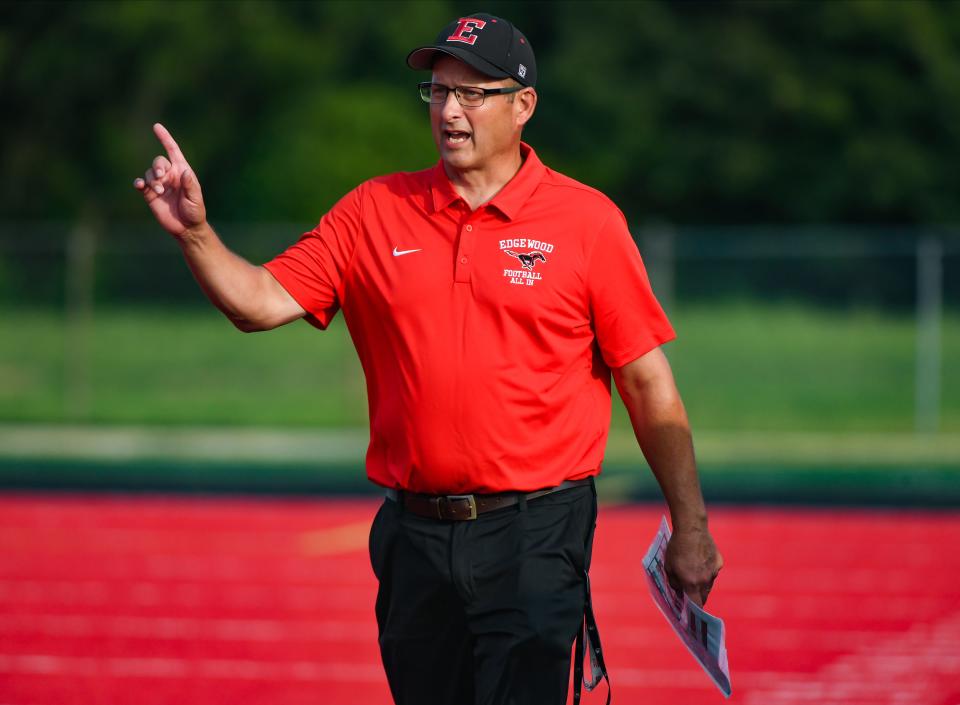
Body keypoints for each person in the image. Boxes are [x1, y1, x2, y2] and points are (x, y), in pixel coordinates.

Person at [133, 12, 723, 705]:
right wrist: (197, 235)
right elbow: (257, 301)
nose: (450, 110)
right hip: (414, 537)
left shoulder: (588, 222)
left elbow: (648, 384)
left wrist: (691, 526)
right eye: (439, 92)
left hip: (537, 532)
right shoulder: (373, 210)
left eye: (473, 93)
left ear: (523, 104)